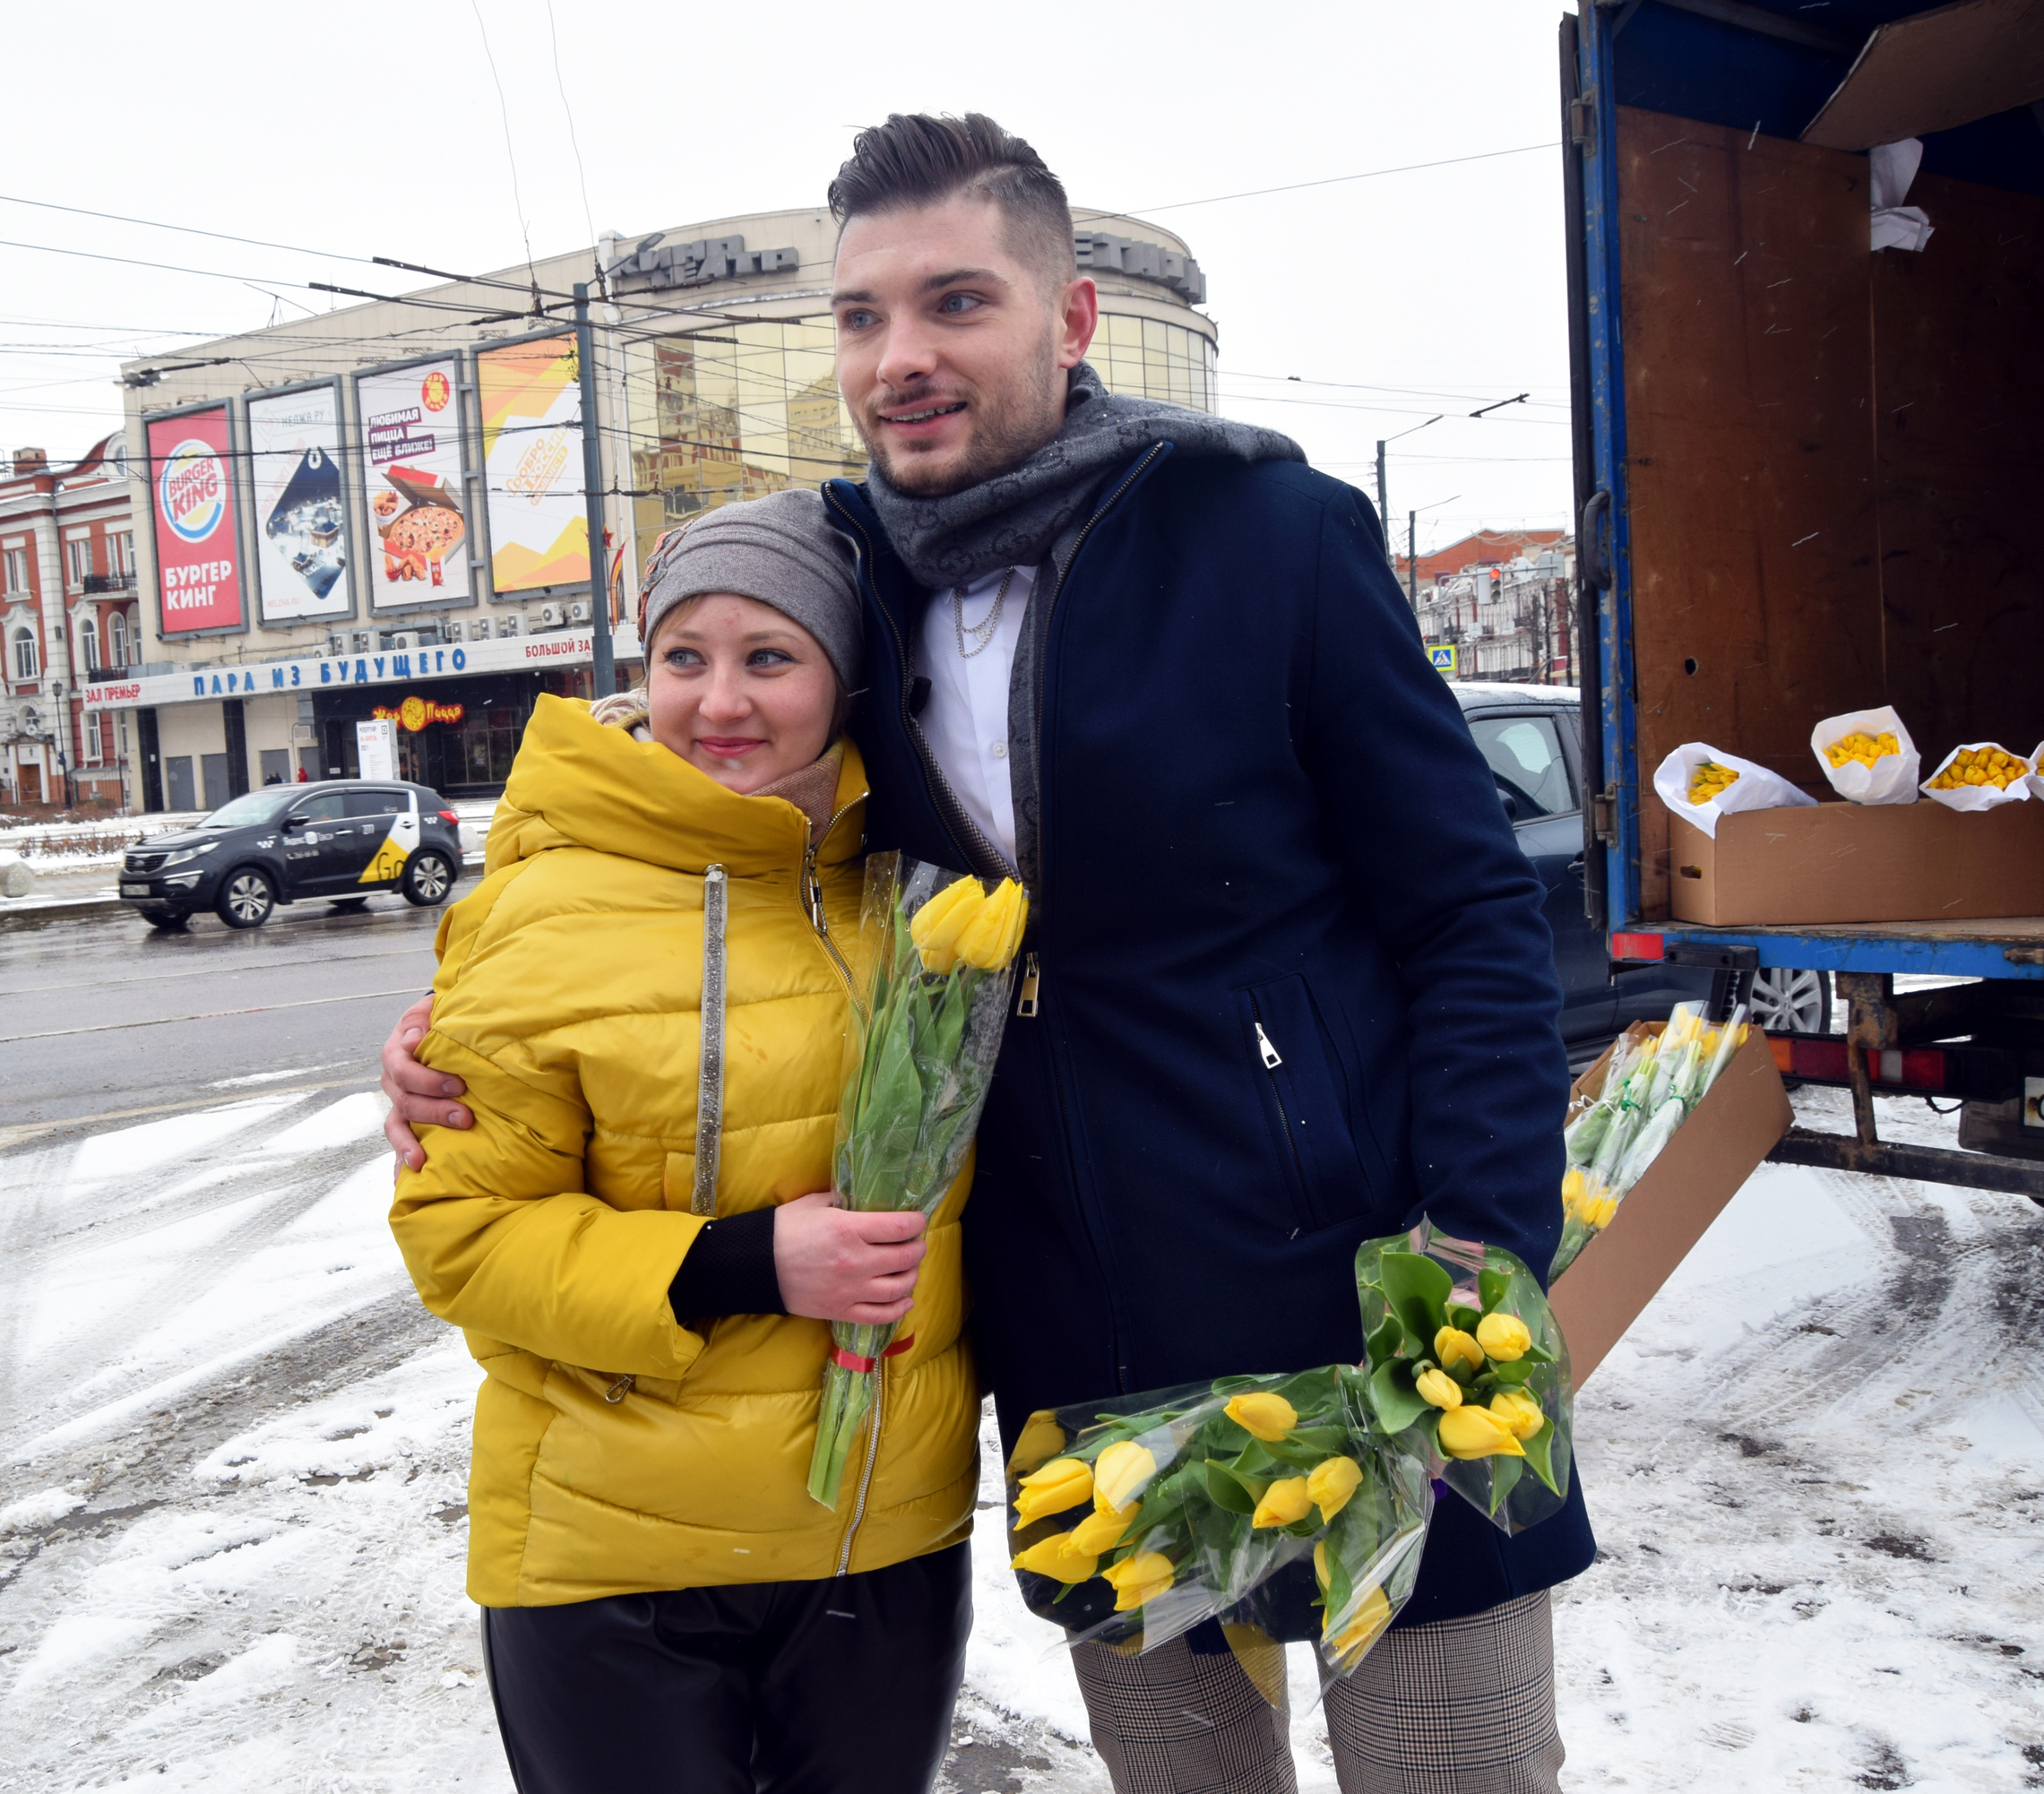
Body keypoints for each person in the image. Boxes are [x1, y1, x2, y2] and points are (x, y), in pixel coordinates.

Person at [389, 114, 1590, 1793]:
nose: (904, 358)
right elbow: (673, 809)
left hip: (1370, 1288)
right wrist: (467, 1012)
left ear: (1071, 317)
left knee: (1456, 1774)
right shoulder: (844, 574)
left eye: (957, 302)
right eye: (863, 315)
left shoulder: (1264, 533)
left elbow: (1466, 908)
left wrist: (1478, 1236)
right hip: (1078, 1331)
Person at [387, 490, 979, 1794]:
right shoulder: (540, 909)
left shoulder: (923, 889)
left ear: (845, 679)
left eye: (770, 657)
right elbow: (466, 1240)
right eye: (682, 657)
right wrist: (750, 1262)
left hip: (876, 1541)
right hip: (614, 1561)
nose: (720, 700)